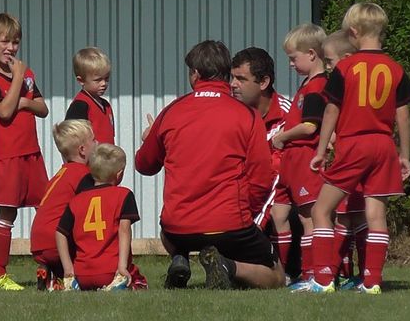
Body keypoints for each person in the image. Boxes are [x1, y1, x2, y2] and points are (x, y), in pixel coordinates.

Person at [135, 40, 283, 290]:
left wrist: (151, 138)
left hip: (177, 228)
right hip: (230, 224)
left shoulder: (172, 111)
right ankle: (227, 265)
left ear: (194, 73)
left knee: (167, 229)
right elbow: (261, 176)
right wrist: (245, 212)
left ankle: (180, 257)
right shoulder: (247, 115)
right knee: (277, 276)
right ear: (226, 73)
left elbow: (144, 165)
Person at [306, 2, 410, 294]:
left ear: (353, 32)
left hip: (354, 143)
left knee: (321, 210)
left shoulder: (345, 67)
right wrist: (404, 154)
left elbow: (331, 110)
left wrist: (321, 149)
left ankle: (323, 279)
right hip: (384, 145)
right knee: (376, 216)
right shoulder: (395, 68)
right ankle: (373, 282)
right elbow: (403, 114)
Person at [0, 12, 50, 291]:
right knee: (8, 215)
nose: (11, 48)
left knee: (47, 210)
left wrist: (26, 103)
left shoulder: (26, 74)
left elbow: (42, 108)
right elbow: (4, 112)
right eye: (5, 41)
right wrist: (17, 79)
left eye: (15, 42)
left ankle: (50, 267)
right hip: (8, 156)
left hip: (33, 153)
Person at [230, 47, 299, 283]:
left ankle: (288, 270)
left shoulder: (291, 118)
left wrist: (253, 223)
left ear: (264, 82)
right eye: (232, 77)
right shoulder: (230, 115)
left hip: (278, 208)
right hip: (242, 206)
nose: (233, 84)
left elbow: (279, 176)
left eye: (240, 78)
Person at [270, 23, 328, 291]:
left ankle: (311, 274)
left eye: (294, 58)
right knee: (278, 214)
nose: (291, 64)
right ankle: (284, 273)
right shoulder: (307, 85)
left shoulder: (318, 87)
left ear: (313, 54)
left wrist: (282, 136)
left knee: (308, 218)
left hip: (304, 158)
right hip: (290, 163)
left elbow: (310, 126)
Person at [56, 144, 141, 291]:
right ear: (119, 174)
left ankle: (72, 284)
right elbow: (124, 230)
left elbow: (60, 233)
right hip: (110, 271)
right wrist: (121, 267)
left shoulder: (76, 200)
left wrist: (68, 268)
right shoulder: (123, 195)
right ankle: (117, 283)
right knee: (139, 281)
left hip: (82, 273)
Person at [323, 29, 367, 289]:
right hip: (348, 153)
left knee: (352, 216)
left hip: (353, 156)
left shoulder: (349, 83)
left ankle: (338, 274)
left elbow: (339, 113)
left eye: (330, 61)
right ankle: (349, 273)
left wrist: (332, 137)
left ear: (348, 57)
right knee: (347, 215)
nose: (328, 67)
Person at [30, 120, 97, 291]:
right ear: (82, 150)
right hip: (57, 242)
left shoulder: (61, 174)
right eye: (94, 141)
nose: (98, 144)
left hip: (38, 242)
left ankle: (50, 273)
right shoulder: (83, 175)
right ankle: (65, 277)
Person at [65, 48, 115, 145]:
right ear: (81, 81)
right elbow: (70, 141)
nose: (104, 83)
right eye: (98, 80)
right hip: (91, 159)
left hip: (107, 158)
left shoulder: (106, 105)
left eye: (106, 78)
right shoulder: (80, 106)